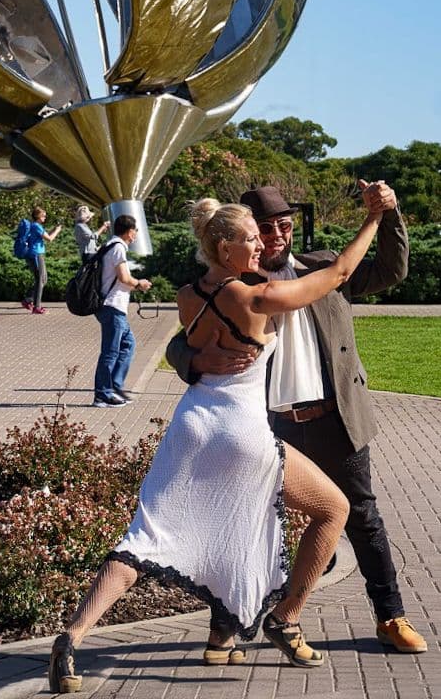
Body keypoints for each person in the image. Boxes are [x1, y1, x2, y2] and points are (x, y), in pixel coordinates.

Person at [48, 198, 384, 692]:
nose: (262, 244)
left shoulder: (189, 294)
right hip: (239, 431)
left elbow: (187, 345)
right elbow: (337, 274)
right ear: (226, 248)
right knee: (334, 509)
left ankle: (71, 639)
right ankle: (285, 616)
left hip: (190, 425)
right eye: (251, 238)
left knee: (145, 537)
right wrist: (373, 220)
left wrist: (199, 357)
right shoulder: (255, 298)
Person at [167, 182, 427, 658]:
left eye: (284, 226)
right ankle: (228, 627)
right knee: (249, 521)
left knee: (362, 518)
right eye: (264, 229)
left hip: (333, 418)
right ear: (244, 233)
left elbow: (391, 269)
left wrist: (387, 214)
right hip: (267, 424)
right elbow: (179, 340)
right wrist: (195, 362)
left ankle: (390, 617)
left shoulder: (321, 266)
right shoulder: (232, 285)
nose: (276, 236)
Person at [92, 214, 151, 408]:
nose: (135, 235)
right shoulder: (117, 248)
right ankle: (102, 394)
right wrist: (139, 283)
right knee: (110, 352)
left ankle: (114, 386)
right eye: (135, 231)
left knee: (128, 345)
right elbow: (124, 278)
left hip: (113, 307)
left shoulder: (111, 245)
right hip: (112, 306)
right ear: (129, 231)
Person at [21, 206, 61, 315]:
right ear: (38, 216)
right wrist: (57, 231)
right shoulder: (36, 226)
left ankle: (28, 299)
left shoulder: (36, 226)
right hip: (36, 254)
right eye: (43, 215)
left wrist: (53, 229)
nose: (45, 217)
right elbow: (50, 239)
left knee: (44, 279)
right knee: (40, 280)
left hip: (37, 254)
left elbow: (45, 236)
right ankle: (36, 307)